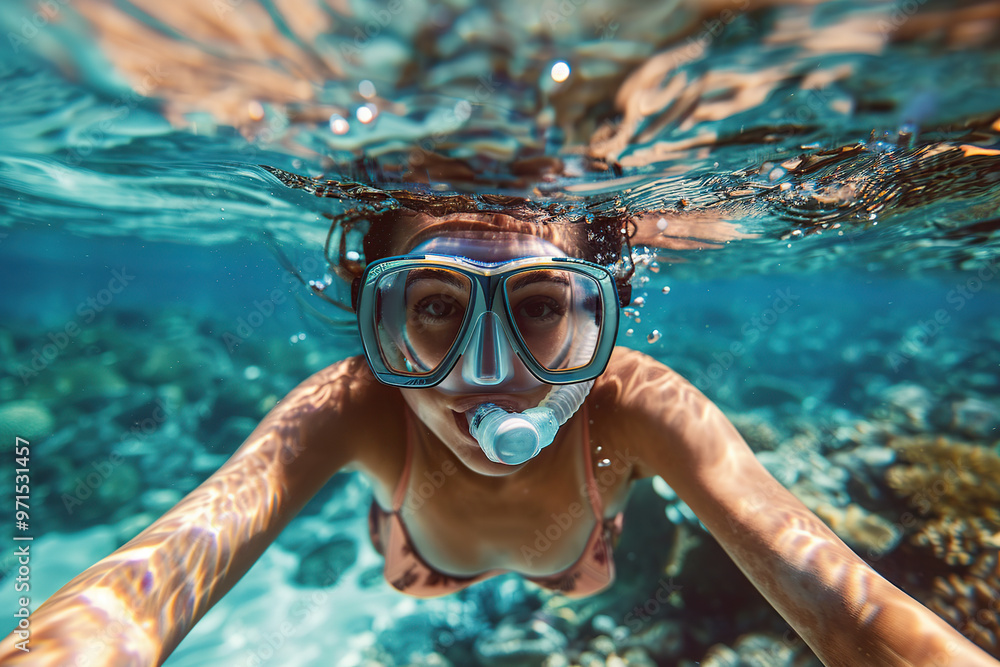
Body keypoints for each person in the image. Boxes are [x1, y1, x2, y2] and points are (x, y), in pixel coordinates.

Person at [3, 201, 998, 667]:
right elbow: (150, 590)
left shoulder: (637, 402)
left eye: (537, 308)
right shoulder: (350, 404)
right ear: (371, 319)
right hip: (415, 550)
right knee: (407, 555)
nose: (485, 376)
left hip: (580, 554)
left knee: (580, 574)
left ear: (605, 318)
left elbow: (845, 608)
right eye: (432, 308)